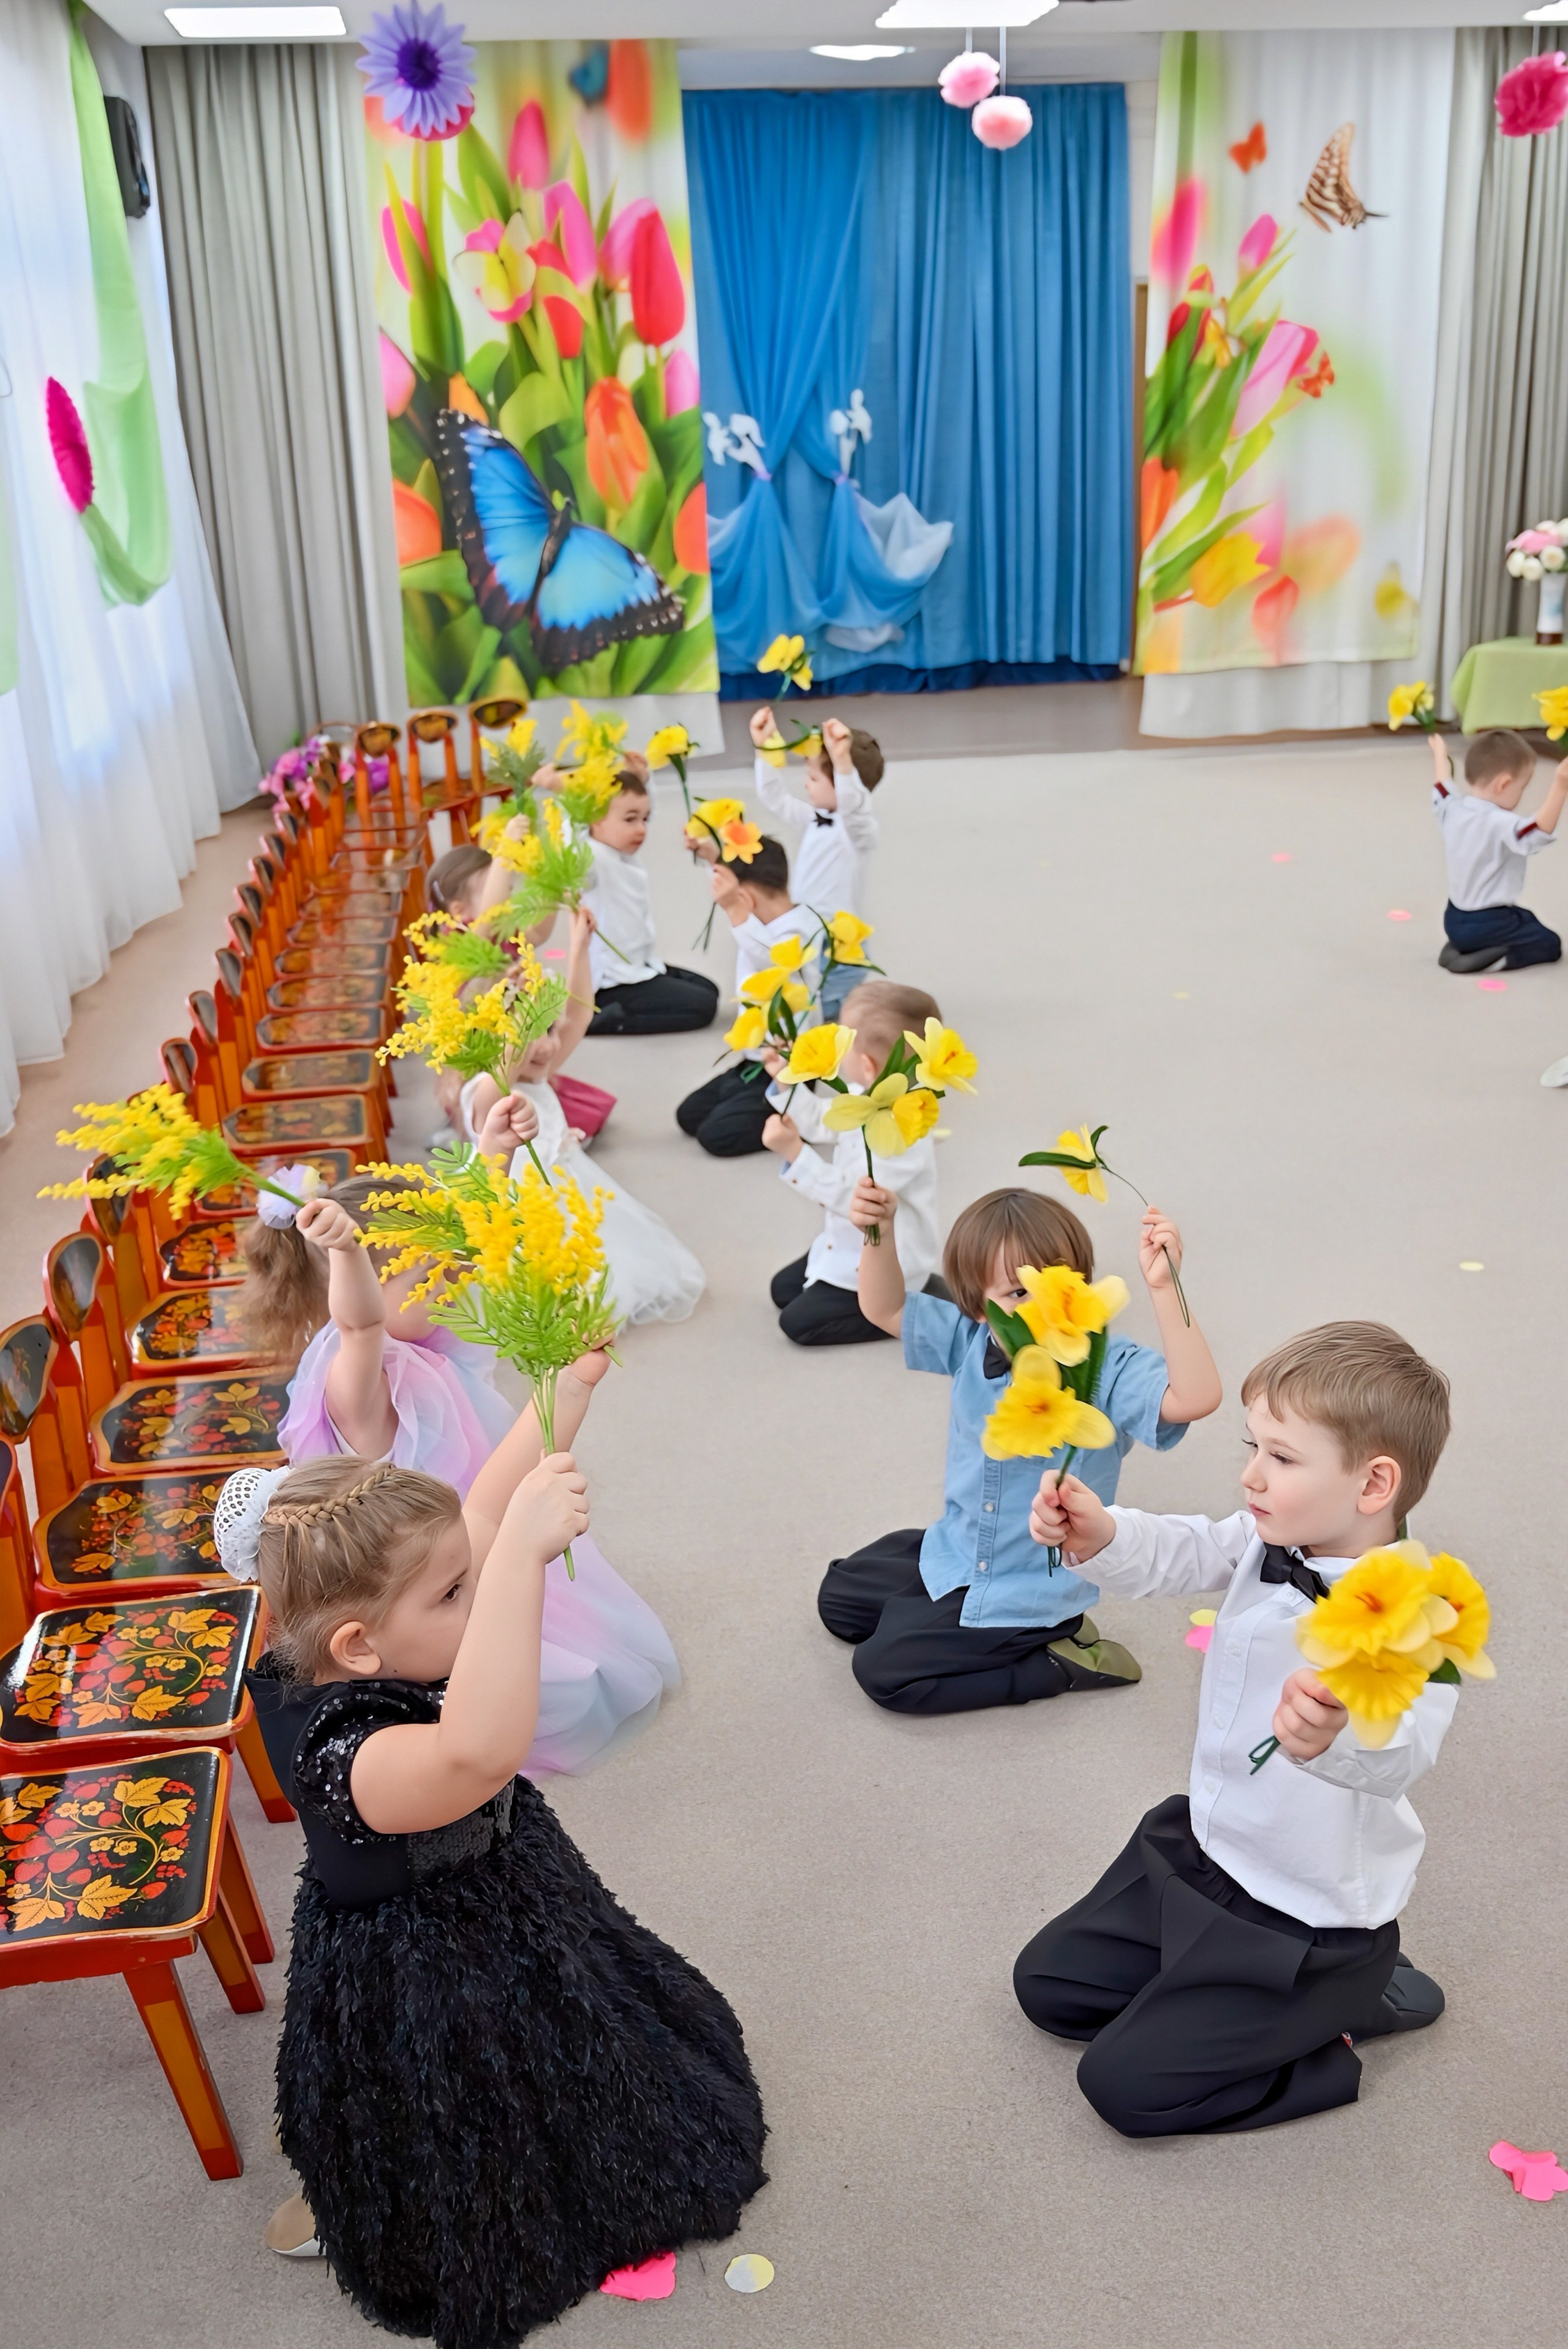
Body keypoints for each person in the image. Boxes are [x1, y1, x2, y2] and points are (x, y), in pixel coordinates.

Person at [225, 1452, 766, 2339]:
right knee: (454, 2120)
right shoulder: (340, 1750)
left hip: (507, 1888)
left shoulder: (374, 1634)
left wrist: (570, 1380)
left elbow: (480, 1506)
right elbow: (477, 1751)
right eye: (453, 1594)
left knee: (575, 2035)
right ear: (357, 1646)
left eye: (471, 1581)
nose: (474, 1600)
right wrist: (516, 1561)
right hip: (422, 1972)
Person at [1014, 1321, 1455, 2139]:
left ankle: (1338, 2014)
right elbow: (1186, 1548)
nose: (1251, 1474)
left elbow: (1403, 1753)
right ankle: (1209, 1987)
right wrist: (1103, 1532)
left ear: (1373, 1484)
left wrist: (1340, 1735)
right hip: (1207, 1850)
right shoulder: (1270, 1533)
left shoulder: (1416, 1618)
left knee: (1123, 2084)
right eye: (1254, 1445)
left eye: (1282, 1458)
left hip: (1302, 1912)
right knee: (1048, 1985)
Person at [241, 1169, 680, 1774]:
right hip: (411, 1586)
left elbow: (494, 1482)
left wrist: (572, 1380)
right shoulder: (354, 1383)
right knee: (558, 1694)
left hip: (467, 1543)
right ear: (364, 1285)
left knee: (587, 1667)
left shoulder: (422, 1348)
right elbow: (363, 1323)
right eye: (427, 1275)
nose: (451, 1281)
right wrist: (347, 1251)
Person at [818, 1183, 1221, 1713]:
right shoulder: (971, 1338)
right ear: (978, 1306)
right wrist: (878, 1233)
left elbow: (1195, 1397)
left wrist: (1167, 1289)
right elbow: (884, 1307)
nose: (1043, 1306)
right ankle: (934, 1617)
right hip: (960, 1546)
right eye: (1018, 1293)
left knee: (884, 1672)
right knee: (840, 1599)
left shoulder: (1102, 1364)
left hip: (1026, 1589)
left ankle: (1054, 1661)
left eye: (1057, 1284)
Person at [464, 908, 706, 1326]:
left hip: (568, 1191)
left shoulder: (541, 1071)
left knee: (611, 1273)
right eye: (530, 1035)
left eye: (549, 1030)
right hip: (521, 1210)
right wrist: (518, 1028)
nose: (546, 1046)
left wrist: (579, 948)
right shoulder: (488, 1089)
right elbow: (506, 1065)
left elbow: (577, 1016)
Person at [761, 979, 943, 1346]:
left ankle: (898, 1311)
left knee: (798, 1323)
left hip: (889, 1262)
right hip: (846, 1244)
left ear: (866, 1064)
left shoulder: (905, 1134)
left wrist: (795, 1155)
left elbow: (856, 1202)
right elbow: (819, 1121)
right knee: (782, 1289)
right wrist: (787, 1083)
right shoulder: (867, 1095)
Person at [424, 839, 614, 1142]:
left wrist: (574, 935)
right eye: (498, 890)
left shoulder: (504, 930)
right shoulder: (465, 944)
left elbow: (576, 1015)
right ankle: (465, 1125)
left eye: (508, 891)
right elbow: (487, 918)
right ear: (460, 911)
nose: (508, 900)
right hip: (487, 1043)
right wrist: (506, 847)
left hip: (510, 1024)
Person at [675, 836, 813, 1158]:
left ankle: (802, 1118)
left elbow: (775, 960)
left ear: (746, 898)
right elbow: (756, 938)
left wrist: (734, 909)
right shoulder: (766, 921)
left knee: (716, 1137)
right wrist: (715, 859)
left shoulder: (802, 930)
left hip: (790, 1070)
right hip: (756, 1060)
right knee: (689, 1117)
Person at [750, 711, 881, 1018]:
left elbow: (854, 807)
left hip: (837, 949)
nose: (805, 784)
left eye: (813, 778)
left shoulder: (859, 832)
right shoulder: (815, 818)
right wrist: (765, 747)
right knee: (793, 1007)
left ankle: (851, 1009)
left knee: (813, 1015)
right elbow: (774, 797)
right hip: (809, 937)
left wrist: (843, 763)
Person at [576, 761, 718, 1035]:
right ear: (594, 819)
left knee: (709, 991)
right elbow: (571, 836)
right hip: (614, 983)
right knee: (704, 1007)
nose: (642, 829)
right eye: (630, 820)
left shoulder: (621, 853)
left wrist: (642, 779)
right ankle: (606, 1020)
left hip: (641, 966)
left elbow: (638, 804)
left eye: (645, 820)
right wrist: (563, 792)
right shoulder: (592, 857)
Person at [1429, 727, 1568, 971]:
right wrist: (1560, 784)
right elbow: (1535, 832)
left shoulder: (1453, 808)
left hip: (1453, 918)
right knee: (1550, 943)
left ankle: (1461, 947)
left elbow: (1442, 786)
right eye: (1522, 787)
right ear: (1504, 784)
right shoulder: (1498, 822)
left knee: (1527, 919)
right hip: (1487, 923)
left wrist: (1440, 755)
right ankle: (1491, 959)